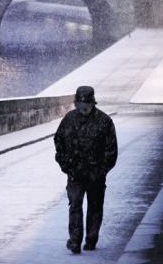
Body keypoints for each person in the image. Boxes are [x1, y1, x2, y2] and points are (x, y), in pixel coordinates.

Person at [54, 86, 117, 255]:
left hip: (95, 174)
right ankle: (75, 241)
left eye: (86, 103)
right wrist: (66, 165)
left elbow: (111, 151)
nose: (83, 107)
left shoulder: (104, 121)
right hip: (75, 173)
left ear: (92, 103)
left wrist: (101, 170)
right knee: (75, 205)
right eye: (80, 103)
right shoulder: (69, 119)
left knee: (94, 207)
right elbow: (58, 142)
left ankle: (91, 239)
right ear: (76, 103)